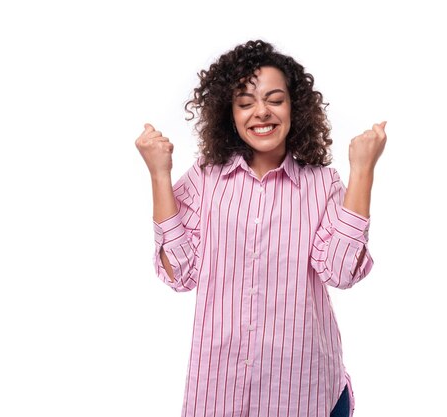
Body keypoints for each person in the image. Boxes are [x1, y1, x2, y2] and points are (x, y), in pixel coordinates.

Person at [135, 40, 387, 417]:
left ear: (294, 107)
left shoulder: (322, 183)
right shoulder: (207, 178)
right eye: (245, 103)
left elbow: (341, 273)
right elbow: (180, 274)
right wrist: (159, 174)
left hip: (304, 392)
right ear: (230, 114)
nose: (261, 112)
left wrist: (363, 171)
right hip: (219, 392)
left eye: (275, 99)